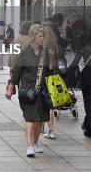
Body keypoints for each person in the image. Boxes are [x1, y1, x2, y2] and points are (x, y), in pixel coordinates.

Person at [6, 24, 54, 157]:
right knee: (30, 118)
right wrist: (11, 86)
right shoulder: (25, 53)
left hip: (42, 91)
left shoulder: (46, 53)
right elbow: (17, 73)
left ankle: (35, 142)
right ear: (33, 37)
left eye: (43, 36)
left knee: (40, 119)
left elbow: (51, 72)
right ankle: (29, 146)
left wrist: (52, 60)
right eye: (40, 36)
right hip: (27, 90)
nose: (43, 38)